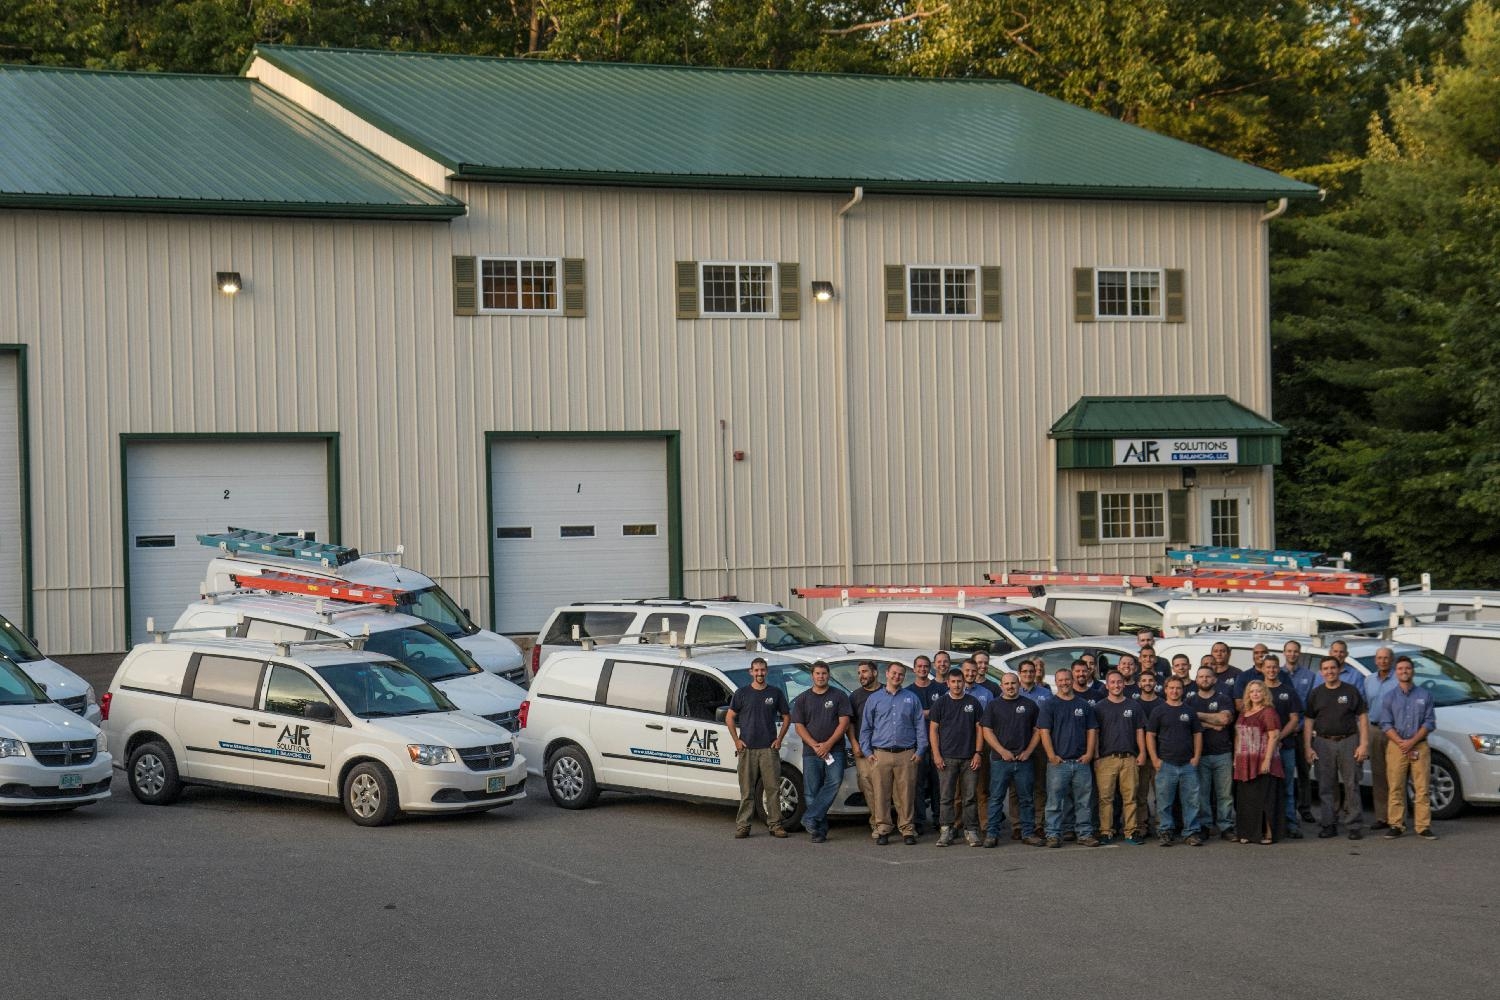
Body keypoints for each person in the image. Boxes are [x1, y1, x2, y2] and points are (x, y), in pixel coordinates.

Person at [860, 662, 929, 845]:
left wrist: (921, 750)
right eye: (894, 673)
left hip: (906, 754)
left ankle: (907, 829)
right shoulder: (874, 699)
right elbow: (866, 727)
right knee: (881, 794)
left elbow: (920, 726)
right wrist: (867, 751)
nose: (897, 677)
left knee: (906, 794)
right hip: (880, 754)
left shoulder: (912, 698)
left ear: (904, 677)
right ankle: (883, 828)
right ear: (887, 674)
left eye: (900, 674)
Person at [1303, 656, 1369, 840]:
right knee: (1325, 786)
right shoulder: (1316, 693)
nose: (1329, 671)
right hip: (1323, 743)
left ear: (1339, 669)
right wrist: (1308, 747)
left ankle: (1354, 825)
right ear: (1321, 672)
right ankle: (1328, 823)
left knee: (1351, 784)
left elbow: (1362, 717)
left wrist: (1363, 744)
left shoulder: (1350, 691)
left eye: (1333, 668)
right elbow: (1309, 721)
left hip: (1348, 741)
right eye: (1325, 668)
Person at [725, 657, 791, 839]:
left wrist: (779, 739)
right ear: (751, 672)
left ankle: (775, 825)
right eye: (756, 670)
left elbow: (787, 716)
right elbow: (729, 717)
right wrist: (736, 741)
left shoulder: (775, 693)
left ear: (766, 671)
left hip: (769, 749)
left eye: (762, 670)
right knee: (747, 791)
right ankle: (743, 826)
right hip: (747, 749)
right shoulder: (742, 693)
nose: (760, 673)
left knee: (773, 789)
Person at [1376, 655, 1438, 840]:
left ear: (1413, 671)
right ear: (1396, 673)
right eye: (1401, 669)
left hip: (1419, 745)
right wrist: (1401, 743)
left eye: (1407, 668)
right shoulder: (1389, 697)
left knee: (1422, 787)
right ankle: (1396, 824)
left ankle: (1423, 826)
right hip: (1396, 746)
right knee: (1395, 786)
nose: (1404, 672)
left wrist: (1412, 741)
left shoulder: (1424, 695)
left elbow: (1429, 722)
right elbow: (1385, 724)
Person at [790, 661, 852, 843]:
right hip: (811, 752)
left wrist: (828, 744)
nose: (821, 676)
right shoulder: (803, 699)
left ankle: (810, 817)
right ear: (812, 676)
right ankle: (819, 830)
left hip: (836, 750)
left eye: (824, 673)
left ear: (828, 675)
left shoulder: (839, 696)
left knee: (834, 782)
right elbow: (799, 726)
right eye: (817, 673)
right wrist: (816, 745)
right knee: (811, 791)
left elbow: (844, 723)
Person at [1037, 667, 1100, 848]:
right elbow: (1044, 732)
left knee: (1084, 801)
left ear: (1072, 680)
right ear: (1056, 683)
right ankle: (1053, 834)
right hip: (1059, 763)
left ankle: (1085, 834)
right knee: (1055, 802)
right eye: (1061, 680)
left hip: (1081, 762)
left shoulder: (1083, 705)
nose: (1064, 683)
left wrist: (1089, 754)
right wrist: (1051, 756)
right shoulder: (1049, 705)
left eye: (1067, 679)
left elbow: (1091, 730)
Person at [982, 671, 1044, 847]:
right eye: (1006, 684)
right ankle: (992, 834)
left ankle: (1028, 833)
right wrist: (1002, 751)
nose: (1010, 687)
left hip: (1024, 761)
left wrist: (1028, 751)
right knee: (996, 798)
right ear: (1001, 686)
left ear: (1019, 685)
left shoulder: (1030, 705)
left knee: (1026, 799)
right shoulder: (993, 706)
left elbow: (1038, 730)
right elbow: (987, 731)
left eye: (1013, 683)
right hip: (1000, 761)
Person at [929, 668, 984, 847]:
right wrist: (936, 754)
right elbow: (933, 730)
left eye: (959, 681)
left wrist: (978, 752)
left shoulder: (973, 702)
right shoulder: (941, 703)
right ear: (948, 683)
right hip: (947, 758)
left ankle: (971, 831)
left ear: (964, 683)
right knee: (946, 797)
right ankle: (946, 831)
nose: (957, 685)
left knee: (969, 797)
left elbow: (979, 729)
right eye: (953, 682)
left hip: (969, 758)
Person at [1146, 677, 1204, 847]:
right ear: (1165, 689)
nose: (1174, 691)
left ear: (1182, 690)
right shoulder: (1158, 711)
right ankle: (1165, 832)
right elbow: (1150, 735)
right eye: (1171, 688)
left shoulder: (1190, 711)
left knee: (1191, 801)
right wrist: (1155, 759)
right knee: (1164, 802)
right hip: (1166, 764)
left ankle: (1191, 832)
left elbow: (1197, 734)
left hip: (1188, 764)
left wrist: (1196, 757)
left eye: (1178, 688)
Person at [1093, 670, 1147, 845]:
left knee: (1130, 798)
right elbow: (1094, 733)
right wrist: (1096, 757)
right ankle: (1106, 831)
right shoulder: (1099, 707)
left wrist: (1142, 753)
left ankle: (1131, 832)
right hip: (1106, 759)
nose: (1116, 685)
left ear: (1124, 684)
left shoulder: (1134, 706)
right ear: (1107, 685)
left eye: (1119, 682)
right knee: (1105, 798)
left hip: (1129, 758)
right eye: (1113, 682)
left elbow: (1140, 731)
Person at [1232, 679, 1285, 844]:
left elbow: (1274, 736)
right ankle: (1248, 833)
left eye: (1258, 691)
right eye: (1252, 691)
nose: (1255, 694)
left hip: (1262, 759)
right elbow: (1238, 735)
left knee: (1264, 800)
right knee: (1247, 800)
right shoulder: (1244, 712)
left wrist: (1267, 760)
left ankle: (1268, 834)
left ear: (1264, 694)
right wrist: (1235, 757)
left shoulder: (1268, 712)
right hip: (1244, 760)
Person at [1186, 665, 1236, 840]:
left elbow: (1224, 719)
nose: (1204, 679)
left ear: (1214, 679)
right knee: (1202, 794)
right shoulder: (1190, 701)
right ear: (1196, 680)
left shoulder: (1223, 698)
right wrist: (1212, 723)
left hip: (1223, 753)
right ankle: (1205, 825)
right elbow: (1189, 726)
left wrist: (1198, 716)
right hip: (1201, 754)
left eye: (1208, 676)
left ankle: (1226, 827)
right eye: (1201, 677)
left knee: (1225, 794)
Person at [1258, 653, 1304, 838]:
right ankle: (1268, 824)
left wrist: (1277, 738)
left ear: (1279, 668)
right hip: (1262, 750)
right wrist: (1269, 742)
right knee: (1266, 788)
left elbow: (1294, 719)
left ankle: (1291, 823)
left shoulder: (1288, 691)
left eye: (1274, 667)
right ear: (1262, 669)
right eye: (1268, 667)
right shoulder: (1257, 692)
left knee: (1287, 787)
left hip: (1286, 747)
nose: (1271, 670)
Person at [1012, 658, 1051, 838]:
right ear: (1020, 674)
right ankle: (1017, 825)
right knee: (1016, 787)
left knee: (1039, 786)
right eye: (1025, 671)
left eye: (1031, 671)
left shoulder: (1045, 694)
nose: (1028, 674)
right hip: (1017, 745)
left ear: (1036, 673)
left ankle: (1038, 823)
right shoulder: (1012, 691)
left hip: (1040, 746)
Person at [1363, 647, 1400, 831]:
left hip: (1394, 731)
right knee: (1378, 775)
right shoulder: (1369, 680)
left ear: (1391, 660)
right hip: (1375, 730)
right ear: (1375, 660)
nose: (1383, 661)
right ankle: (1381, 817)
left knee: (1396, 775)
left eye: (1386, 658)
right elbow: (1365, 707)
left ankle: (1397, 818)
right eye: (1379, 658)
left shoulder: (1399, 679)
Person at [908, 654, 945, 833]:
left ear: (930, 668)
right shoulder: (908, 691)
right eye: (919, 666)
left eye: (925, 666)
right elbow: (908, 716)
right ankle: (920, 821)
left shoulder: (941, 688)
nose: (923, 669)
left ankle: (939, 819)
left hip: (939, 744)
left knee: (939, 784)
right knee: (918, 784)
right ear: (914, 669)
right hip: (917, 745)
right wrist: (929, 713)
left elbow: (946, 713)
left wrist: (923, 713)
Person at [847, 660, 883, 839]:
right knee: (868, 787)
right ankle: (877, 823)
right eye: (859, 672)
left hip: (883, 749)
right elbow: (850, 723)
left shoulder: (886, 691)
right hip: (863, 750)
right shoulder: (855, 697)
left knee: (889, 788)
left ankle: (899, 823)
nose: (861, 675)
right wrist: (854, 743)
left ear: (875, 673)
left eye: (865, 672)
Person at [1284, 639, 1316, 822]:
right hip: (1284, 732)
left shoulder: (1309, 676)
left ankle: (1305, 809)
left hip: (1303, 730)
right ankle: (1287, 811)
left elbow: (1312, 706)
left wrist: (1303, 726)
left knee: (1304, 773)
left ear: (1299, 653)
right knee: (1286, 773)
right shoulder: (1277, 673)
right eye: (1289, 651)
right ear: (1284, 653)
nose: (1292, 654)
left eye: (1295, 651)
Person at [1132, 669, 1162, 834]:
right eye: (1144, 681)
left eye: (1151, 680)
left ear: (1155, 683)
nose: (1148, 683)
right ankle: (1142, 825)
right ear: (1139, 684)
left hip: (1159, 756)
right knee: (1141, 794)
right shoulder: (1135, 705)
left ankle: (1160, 825)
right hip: (1141, 756)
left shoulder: (1162, 703)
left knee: (1161, 794)